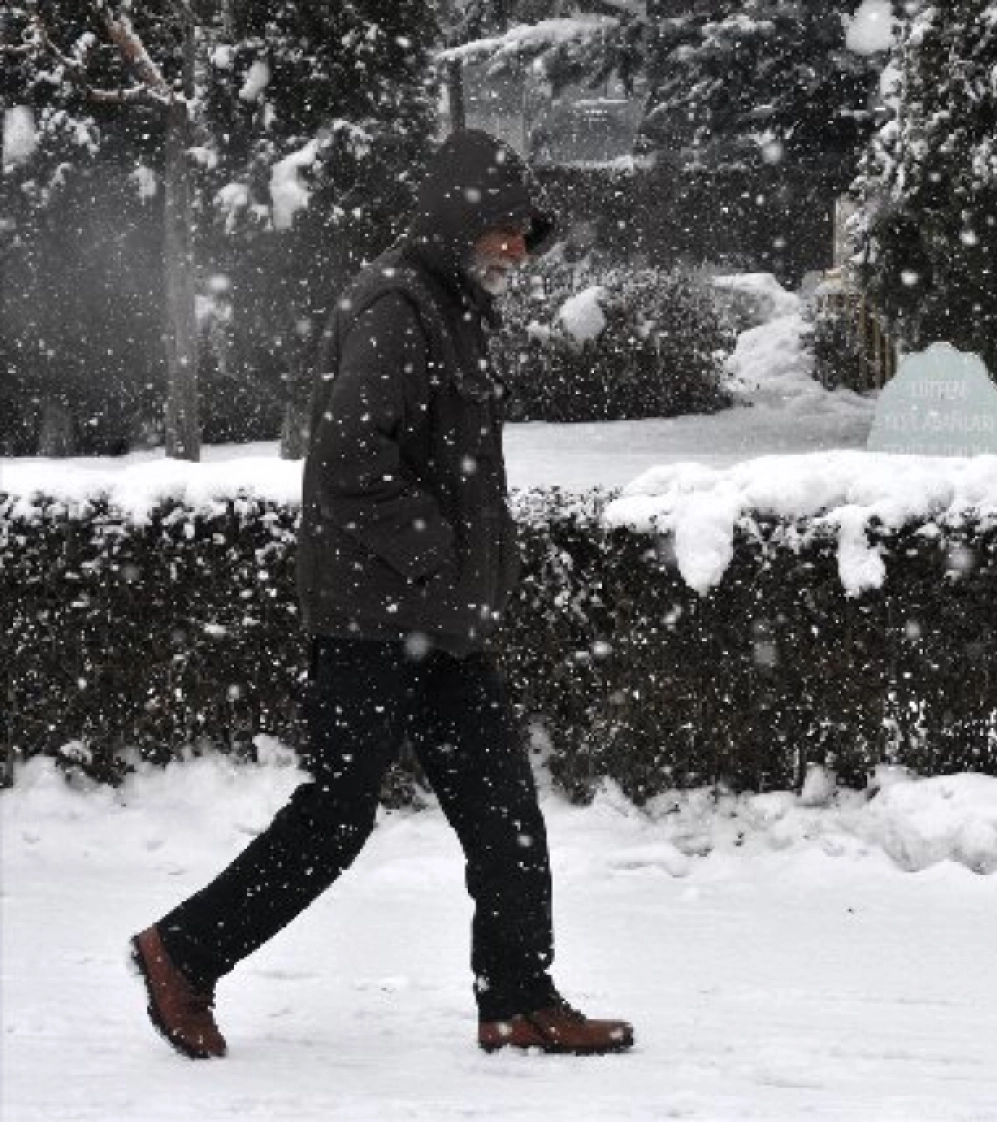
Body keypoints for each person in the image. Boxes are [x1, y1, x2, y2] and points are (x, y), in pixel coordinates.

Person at [129, 130, 632, 1060]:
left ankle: (519, 999)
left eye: (526, 236)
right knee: (333, 817)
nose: (518, 252)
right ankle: (183, 950)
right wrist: (441, 558)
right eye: (505, 233)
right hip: (373, 615)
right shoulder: (401, 307)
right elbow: (354, 459)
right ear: (459, 221)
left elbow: (453, 469)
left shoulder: (456, 307)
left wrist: (474, 576)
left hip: (436, 618)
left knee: (504, 812)